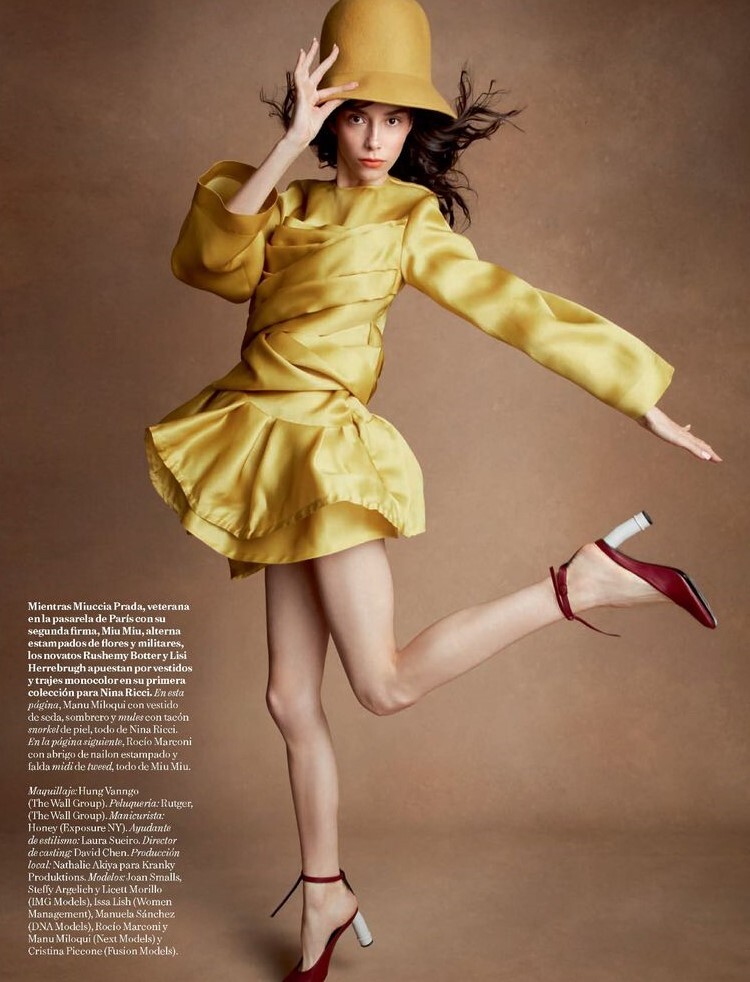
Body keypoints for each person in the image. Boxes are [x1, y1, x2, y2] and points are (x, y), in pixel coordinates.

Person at [144, 1, 721, 978]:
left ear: (415, 127)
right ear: (326, 114)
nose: (377, 139)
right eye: (357, 115)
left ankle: (580, 582)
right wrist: (285, 144)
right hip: (266, 449)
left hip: (326, 454)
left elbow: (516, 308)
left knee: (381, 685)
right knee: (289, 698)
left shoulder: (407, 219)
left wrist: (636, 396)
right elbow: (207, 263)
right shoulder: (278, 203)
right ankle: (323, 893)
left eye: (395, 119)